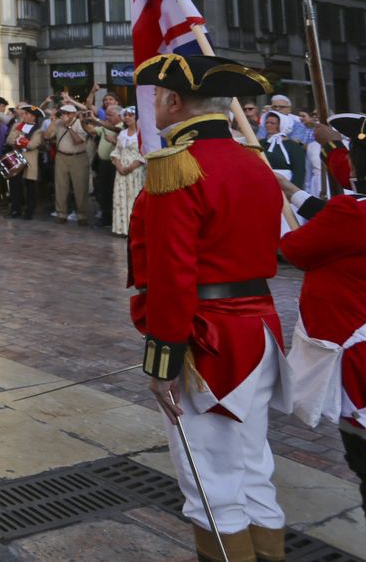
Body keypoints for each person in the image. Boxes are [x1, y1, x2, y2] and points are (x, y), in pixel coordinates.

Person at [129, 54, 285, 562]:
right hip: (260, 331)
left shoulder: (176, 167)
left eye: (157, 95)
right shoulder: (253, 162)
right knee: (253, 467)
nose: (153, 104)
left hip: (209, 341)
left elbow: (173, 276)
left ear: (175, 101)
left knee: (209, 479)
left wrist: (164, 360)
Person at [277, 114, 366, 561]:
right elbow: (341, 208)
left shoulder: (357, 213)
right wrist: (295, 189)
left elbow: (293, 249)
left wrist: (280, 199)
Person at [47, 102, 91, 223]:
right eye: (63, 112)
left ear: (74, 114)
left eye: (68, 113)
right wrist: (52, 121)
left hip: (78, 157)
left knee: (80, 187)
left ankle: (82, 215)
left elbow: (78, 141)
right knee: (60, 186)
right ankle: (61, 214)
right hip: (61, 156)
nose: (65, 115)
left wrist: (68, 126)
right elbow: (46, 136)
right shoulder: (58, 123)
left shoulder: (80, 123)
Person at [4, 105, 42, 220]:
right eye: (24, 114)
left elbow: (32, 144)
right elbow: (9, 140)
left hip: (29, 160)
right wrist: (20, 140)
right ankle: (16, 209)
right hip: (17, 159)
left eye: (27, 114)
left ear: (33, 117)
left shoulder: (38, 130)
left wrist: (19, 141)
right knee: (15, 185)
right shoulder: (17, 126)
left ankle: (29, 211)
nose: (24, 116)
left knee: (30, 186)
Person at [110, 108, 144, 237]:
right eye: (126, 115)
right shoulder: (122, 133)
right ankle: (121, 228)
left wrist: (131, 167)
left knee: (133, 197)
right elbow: (116, 151)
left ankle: (134, 229)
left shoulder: (142, 134)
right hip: (121, 170)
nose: (128, 117)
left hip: (135, 171)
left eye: (131, 115)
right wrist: (118, 165)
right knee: (121, 197)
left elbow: (144, 153)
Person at [261, 111, 307, 190]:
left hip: (285, 186)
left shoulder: (293, 146)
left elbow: (299, 171)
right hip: (263, 184)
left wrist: (294, 192)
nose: (268, 125)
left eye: (272, 123)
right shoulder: (260, 143)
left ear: (281, 125)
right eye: (267, 122)